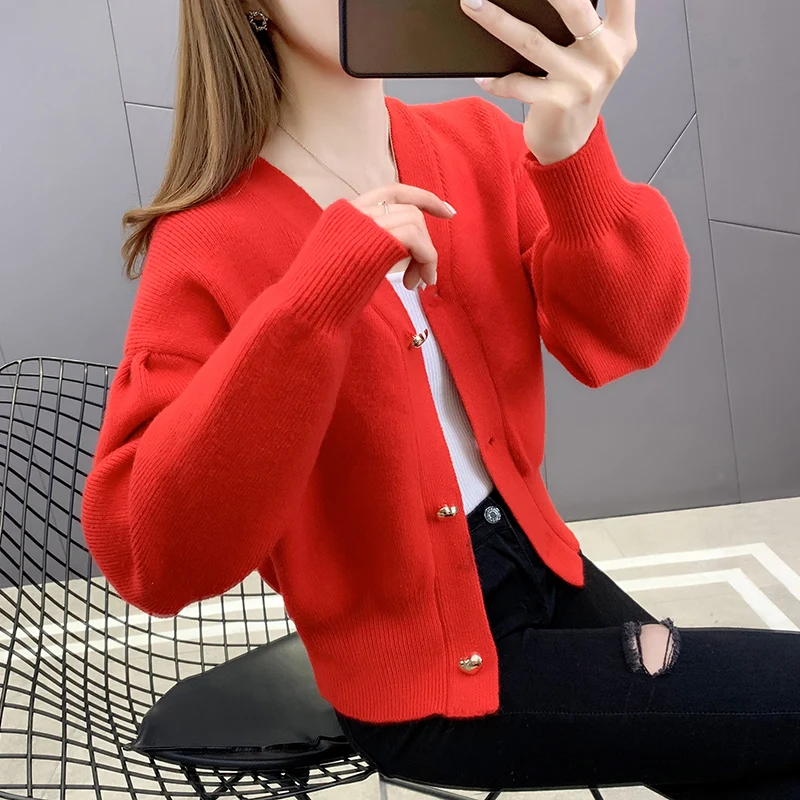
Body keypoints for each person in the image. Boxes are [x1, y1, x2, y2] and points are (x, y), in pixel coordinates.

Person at [81, 0, 800, 797]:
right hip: (421, 685)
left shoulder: (477, 143)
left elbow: (627, 334)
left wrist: (573, 154)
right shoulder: (206, 242)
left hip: (543, 566)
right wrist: (313, 301)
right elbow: (151, 557)